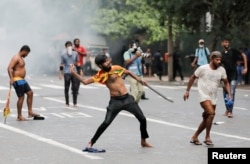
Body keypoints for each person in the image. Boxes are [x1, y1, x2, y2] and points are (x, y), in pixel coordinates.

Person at [70, 54, 153, 150]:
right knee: (106, 123)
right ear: (100, 65)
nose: (108, 62)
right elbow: (85, 82)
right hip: (115, 102)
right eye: (105, 62)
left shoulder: (116, 68)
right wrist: (74, 73)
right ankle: (91, 142)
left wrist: (139, 80)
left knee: (142, 119)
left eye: (108, 60)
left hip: (127, 99)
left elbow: (128, 72)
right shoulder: (100, 75)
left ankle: (143, 141)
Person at [183, 51, 232, 145]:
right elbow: (192, 78)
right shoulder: (203, 68)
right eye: (217, 59)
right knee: (211, 113)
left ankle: (194, 137)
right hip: (203, 95)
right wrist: (187, 91)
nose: (219, 61)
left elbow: (226, 82)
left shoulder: (222, 70)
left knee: (207, 118)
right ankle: (207, 137)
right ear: (212, 59)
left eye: (220, 60)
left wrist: (229, 94)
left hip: (213, 96)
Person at [7, 45, 40, 121]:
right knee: (21, 97)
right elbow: (9, 67)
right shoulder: (16, 57)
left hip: (22, 80)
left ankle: (30, 112)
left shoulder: (20, 58)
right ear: (24, 51)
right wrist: (11, 78)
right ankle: (19, 116)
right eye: (27, 53)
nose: (27, 55)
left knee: (30, 93)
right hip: (17, 80)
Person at [221, 38, 248, 118]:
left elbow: (243, 55)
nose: (227, 44)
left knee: (232, 92)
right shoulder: (221, 54)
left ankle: (230, 111)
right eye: (225, 42)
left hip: (234, 74)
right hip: (225, 75)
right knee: (225, 92)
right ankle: (227, 108)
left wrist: (245, 68)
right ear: (222, 43)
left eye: (228, 42)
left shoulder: (233, 50)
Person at [59, 41, 79, 107]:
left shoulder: (75, 53)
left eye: (70, 45)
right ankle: (67, 103)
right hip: (67, 72)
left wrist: (80, 70)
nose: (69, 47)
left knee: (75, 87)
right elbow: (61, 64)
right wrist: (60, 73)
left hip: (74, 71)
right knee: (66, 87)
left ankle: (75, 102)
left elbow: (77, 63)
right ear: (66, 47)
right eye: (68, 46)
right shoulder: (63, 55)